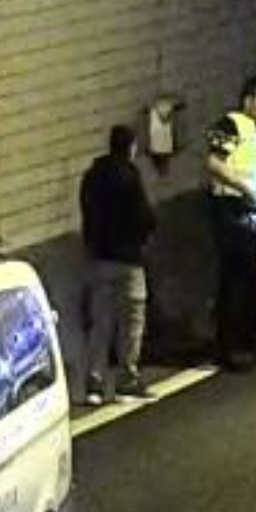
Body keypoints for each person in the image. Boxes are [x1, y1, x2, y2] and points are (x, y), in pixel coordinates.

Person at [79, 124, 158, 404]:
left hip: (99, 257)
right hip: (128, 258)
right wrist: (145, 234)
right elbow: (144, 215)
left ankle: (94, 381)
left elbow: (87, 213)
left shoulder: (91, 176)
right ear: (131, 147)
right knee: (132, 320)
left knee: (100, 321)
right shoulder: (129, 176)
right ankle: (128, 378)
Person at [206, 77, 256, 371]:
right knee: (235, 277)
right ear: (247, 100)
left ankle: (251, 338)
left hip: (253, 210)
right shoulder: (231, 124)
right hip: (231, 207)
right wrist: (246, 188)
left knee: (254, 277)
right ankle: (228, 346)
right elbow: (214, 163)